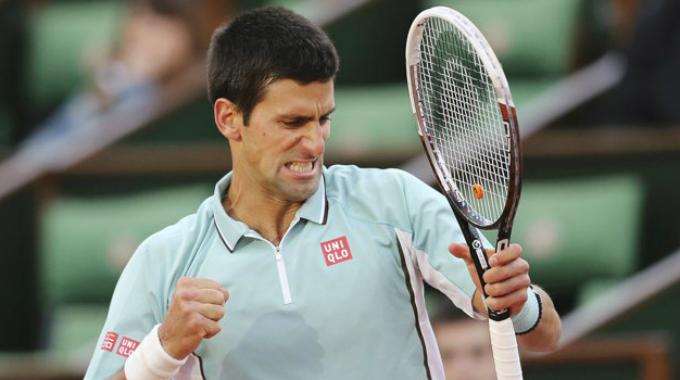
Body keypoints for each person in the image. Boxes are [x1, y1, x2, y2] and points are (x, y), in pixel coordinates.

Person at [85, 6, 561, 379]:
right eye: (292, 122)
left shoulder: (393, 201)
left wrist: (519, 303)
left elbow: (545, 334)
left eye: (323, 119)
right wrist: (163, 349)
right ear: (230, 118)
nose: (314, 143)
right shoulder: (164, 262)